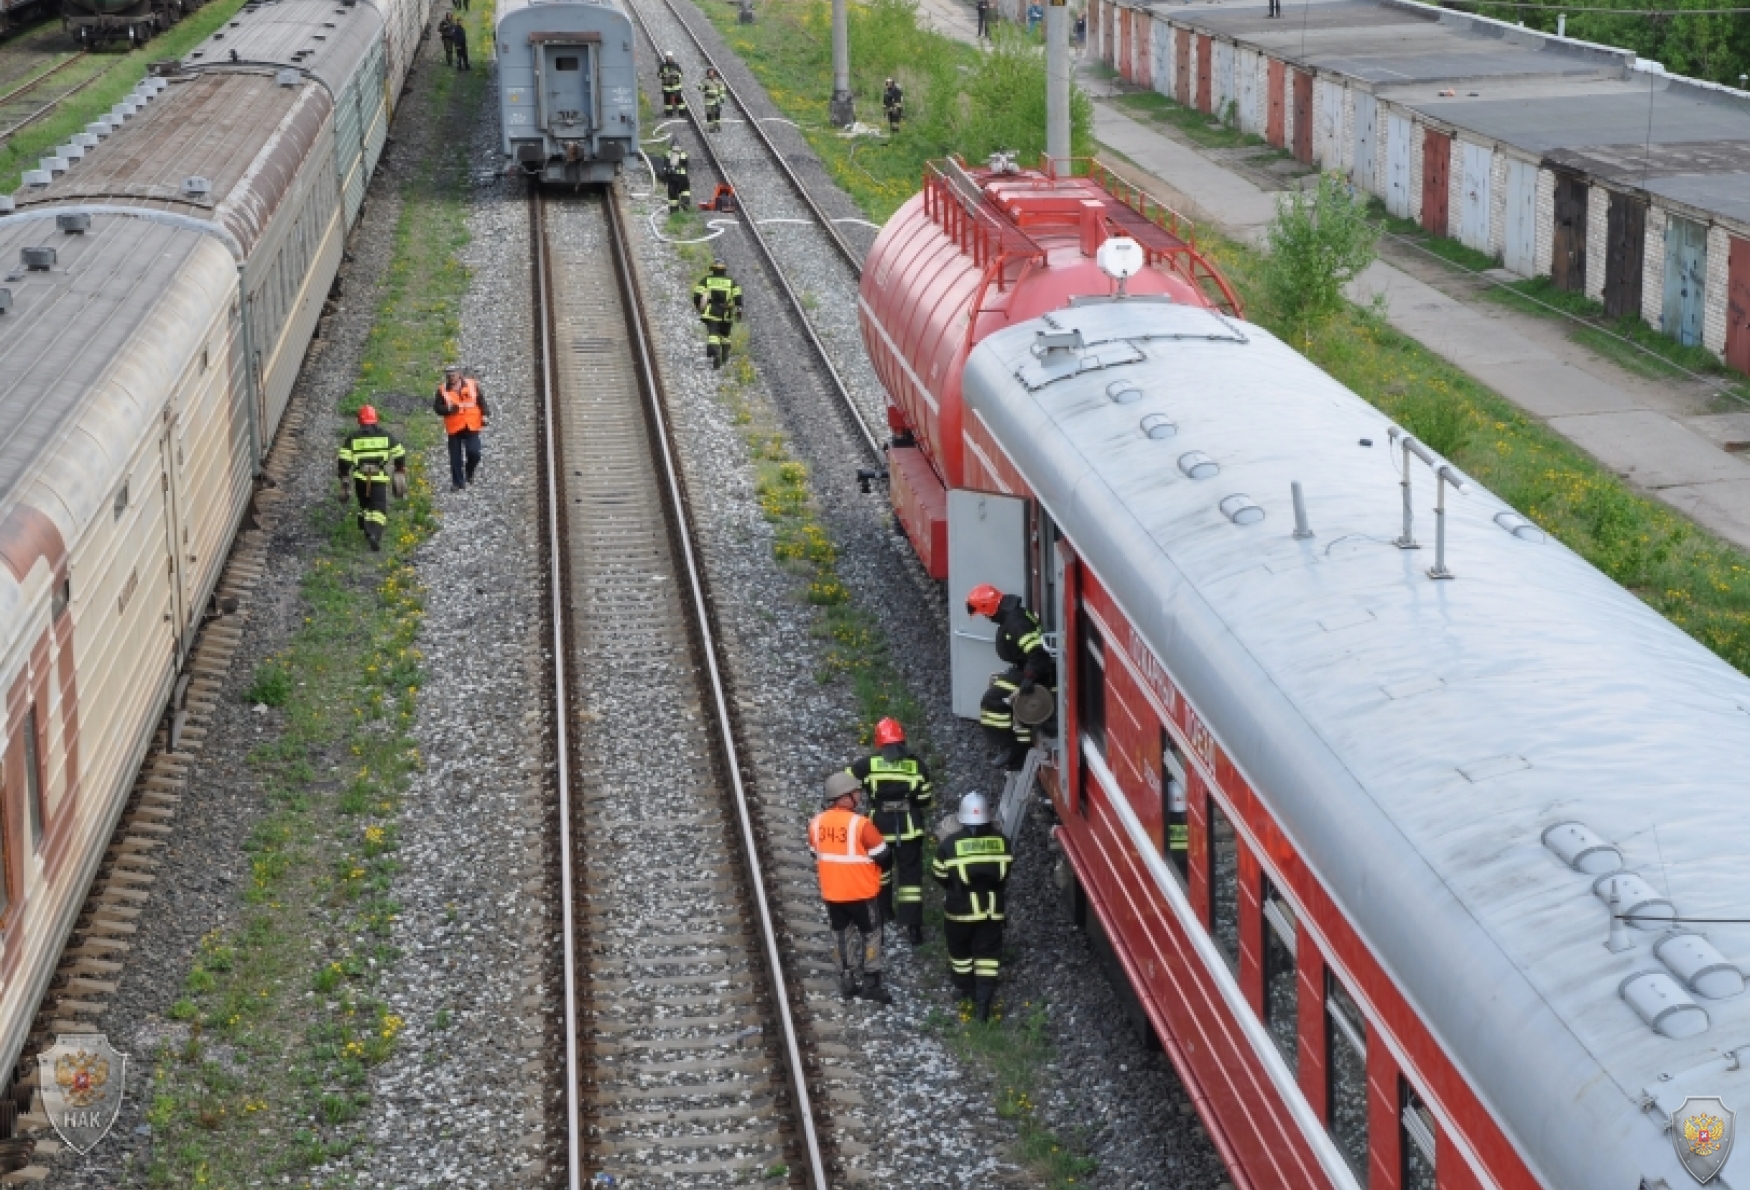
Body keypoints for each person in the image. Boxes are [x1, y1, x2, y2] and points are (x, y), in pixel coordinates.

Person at [845, 718, 934, 945]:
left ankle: (883, 913)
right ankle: (913, 928)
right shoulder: (916, 765)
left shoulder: (868, 764)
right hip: (910, 829)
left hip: (878, 828)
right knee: (911, 878)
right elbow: (924, 798)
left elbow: (846, 783)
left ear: (879, 741)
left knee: (879, 872)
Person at [809, 771, 893, 1003]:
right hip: (862, 893)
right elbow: (884, 856)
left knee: (841, 935)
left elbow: (816, 853)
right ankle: (871, 981)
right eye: (856, 792)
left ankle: (846, 979)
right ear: (845, 797)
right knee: (872, 934)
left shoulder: (816, 824)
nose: (859, 795)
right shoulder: (861, 825)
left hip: (833, 893)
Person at [933, 792, 1013, 1022]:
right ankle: (983, 1006)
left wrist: (955, 886)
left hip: (960, 909)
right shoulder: (1002, 841)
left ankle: (965, 993)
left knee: (960, 953)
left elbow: (939, 874)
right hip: (991, 909)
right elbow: (1005, 873)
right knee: (988, 956)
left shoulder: (950, 844)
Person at [966, 583, 1056, 770]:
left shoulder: (1015, 623)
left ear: (988, 608)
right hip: (1028, 670)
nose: (985, 618)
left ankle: (1010, 747)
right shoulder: (1012, 617)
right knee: (1007, 703)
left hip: (1035, 673)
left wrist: (1029, 678)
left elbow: (1037, 653)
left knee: (992, 702)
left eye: (983, 613)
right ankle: (1019, 751)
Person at [336, 405, 407, 552]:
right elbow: (400, 453)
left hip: (360, 477)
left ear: (359, 421)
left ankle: (364, 525)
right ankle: (374, 534)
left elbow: (343, 459)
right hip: (377, 477)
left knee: (365, 503)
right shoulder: (386, 436)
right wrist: (399, 468)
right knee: (379, 508)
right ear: (376, 419)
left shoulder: (353, 438)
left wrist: (343, 475)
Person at [433, 364, 489, 490]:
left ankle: (469, 471)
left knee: (474, 452)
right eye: (449, 375)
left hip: (471, 425)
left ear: (459, 374)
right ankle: (457, 483)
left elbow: (481, 401)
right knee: (455, 457)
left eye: (453, 374)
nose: (451, 377)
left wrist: (485, 415)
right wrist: (447, 409)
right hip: (454, 427)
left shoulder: (471, 384)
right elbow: (437, 408)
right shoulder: (442, 390)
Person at [691, 261, 742, 370]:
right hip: (727, 313)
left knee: (713, 333)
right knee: (725, 335)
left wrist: (698, 306)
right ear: (724, 270)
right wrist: (738, 310)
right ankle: (725, 352)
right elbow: (738, 297)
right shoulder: (731, 282)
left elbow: (697, 295)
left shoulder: (707, 280)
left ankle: (716, 352)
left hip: (712, 311)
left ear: (712, 270)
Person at [664, 141, 690, 214]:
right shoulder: (683, 154)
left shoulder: (668, 154)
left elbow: (665, 168)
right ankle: (685, 202)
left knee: (673, 196)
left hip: (673, 178)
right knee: (685, 190)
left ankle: (674, 211)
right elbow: (686, 166)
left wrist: (666, 180)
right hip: (683, 177)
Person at [658, 52, 685, 119]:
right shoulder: (663, 66)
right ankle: (669, 114)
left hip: (676, 87)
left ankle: (682, 113)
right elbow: (659, 75)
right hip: (667, 87)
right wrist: (664, 75)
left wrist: (676, 75)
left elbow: (681, 74)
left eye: (670, 57)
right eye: (667, 57)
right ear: (666, 57)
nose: (669, 58)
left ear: (672, 57)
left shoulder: (676, 65)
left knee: (679, 100)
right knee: (667, 102)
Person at [699, 67, 726, 133]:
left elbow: (722, 89)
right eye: (709, 72)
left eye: (712, 72)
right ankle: (710, 127)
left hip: (716, 100)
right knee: (709, 114)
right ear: (707, 73)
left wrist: (722, 97)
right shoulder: (704, 81)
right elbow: (699, 87)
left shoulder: (718, 81)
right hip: (708, 100)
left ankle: (717, 125)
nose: (711, 74)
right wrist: (704, 88)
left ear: (714, 73)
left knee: (717, 113)